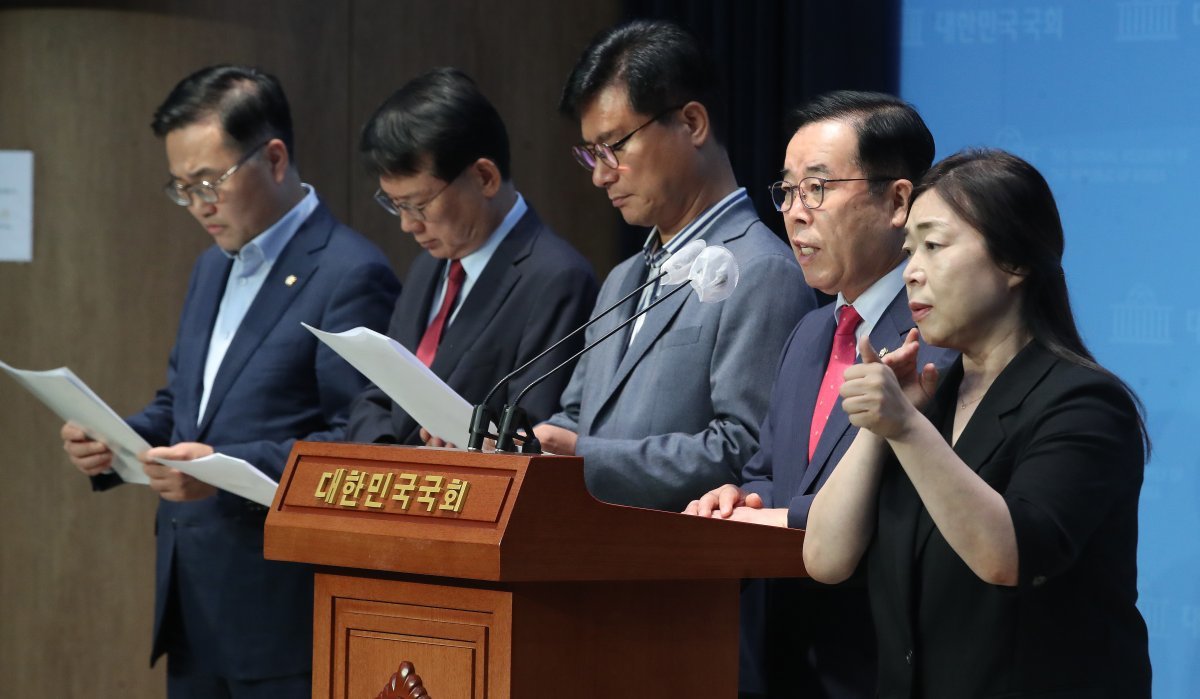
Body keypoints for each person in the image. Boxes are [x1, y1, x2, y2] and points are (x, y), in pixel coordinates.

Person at [60, 64, 400, 698]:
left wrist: (222, 468)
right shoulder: (211, 269)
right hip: (194, 605)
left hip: (281, 615)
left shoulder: (350, 273)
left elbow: (356, 446)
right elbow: (184, 405)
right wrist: (117, 440)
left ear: (274, 158)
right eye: (182, 188)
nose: (198, 206)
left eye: (209, 182)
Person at [803, 149, 1152, 698]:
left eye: (934, 246)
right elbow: (825, 558)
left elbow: (1007, 555)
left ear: (1014, 261)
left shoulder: (1085, 404)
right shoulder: (928, 402)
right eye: (909, 250)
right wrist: (880, 427)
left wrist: (905, 429)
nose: (912, 271)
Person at [685, 91, 954, 698]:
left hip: (881, 667)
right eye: (787, 191)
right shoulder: (810, 331)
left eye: (819, 188)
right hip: (783, 664)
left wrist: (782, 520)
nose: (795, 213)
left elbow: (911, 511)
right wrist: (742, 502)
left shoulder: (936, 337)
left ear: (898, 201)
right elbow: (768, 473)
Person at [534, 19, 814, 514]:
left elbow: (748, 453)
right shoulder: (623, 277)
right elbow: (577, 417)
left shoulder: (763, 270)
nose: (601, 175)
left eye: (615, 146)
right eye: (590, 154)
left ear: (692, 123)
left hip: (681, 577)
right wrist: (516, 445)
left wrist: (581, 456)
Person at [346, 68, 597, 445]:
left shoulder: (557, 278)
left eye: (418, 205)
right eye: (395, 205)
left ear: (484, 178)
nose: (407, 225)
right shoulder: (430, 265)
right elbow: (378, 396)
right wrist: (392, 461)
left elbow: (532, 426)